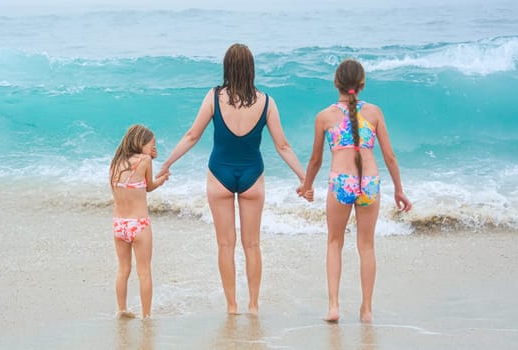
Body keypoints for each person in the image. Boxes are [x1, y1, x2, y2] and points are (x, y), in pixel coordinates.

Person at [156, 43, 305, 315]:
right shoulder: (267, 102)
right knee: (252, 245)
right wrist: (304, 178)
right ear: (251, 70)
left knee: (226, 245)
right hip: (253, 176)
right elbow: (283, 146)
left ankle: (232, 307)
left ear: (227, 67)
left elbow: (192, 135)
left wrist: (166, 163)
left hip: (219, 176)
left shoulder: (213, 97)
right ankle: (253, 305)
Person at [297, 59, 412, 323]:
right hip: (369, 183)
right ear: (362, 85)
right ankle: (367, 310)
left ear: (336, 83)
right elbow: (390, 156)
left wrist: (307, 185)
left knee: (334, 242)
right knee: (367, 246)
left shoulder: (324, 117)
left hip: (341, 182)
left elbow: (315, 160)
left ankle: (334, 307)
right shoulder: (374, 113)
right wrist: (399, 190)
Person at [109, 124, 169, 319]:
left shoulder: (115, 163)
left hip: (119, 225)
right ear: (140, 142)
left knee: (123, 269)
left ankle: (121, 309)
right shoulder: (144, 160)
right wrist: (162, 177)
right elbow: (149, 186)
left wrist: (151, 155)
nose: (153, 148)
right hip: (139, 225)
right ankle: (146, 316)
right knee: (144, 272)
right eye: (152, 144)